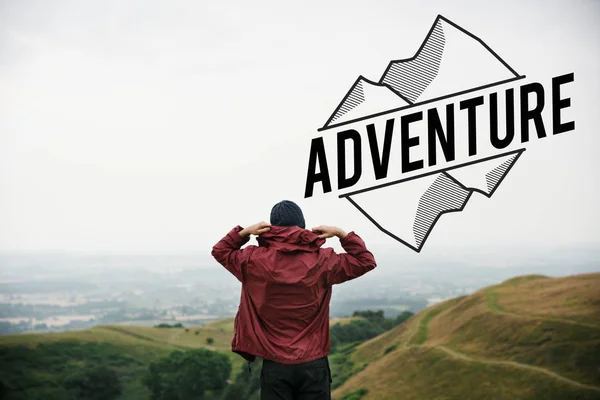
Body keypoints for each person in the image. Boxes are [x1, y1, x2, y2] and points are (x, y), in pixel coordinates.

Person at [211, 200, 377, 400]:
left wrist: (244, 233)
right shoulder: (323, 260)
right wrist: (341, 234)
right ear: (302, 225)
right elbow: (365, 261)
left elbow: (220, 251)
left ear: (270, 227)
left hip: (275, 364)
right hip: (314, 363)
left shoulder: (252, 260)